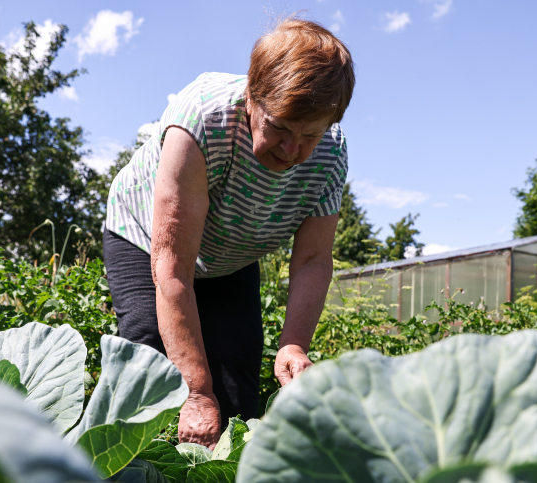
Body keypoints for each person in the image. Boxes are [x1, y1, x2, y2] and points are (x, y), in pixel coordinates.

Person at [102, 17, 355, 448]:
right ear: (252, 98)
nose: (293, 150)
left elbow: (313, 260)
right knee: (147, 352)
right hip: (147, 238)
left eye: (309, 134)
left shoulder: (330, 153)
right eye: (278, 127)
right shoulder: (201, 119)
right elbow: (172, 267)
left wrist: (293, 345)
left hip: (231, 252)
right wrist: (197, 392)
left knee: (236, 377)